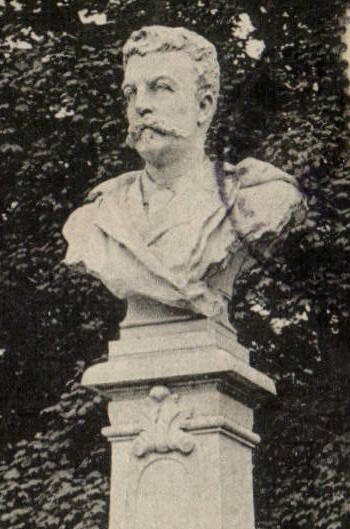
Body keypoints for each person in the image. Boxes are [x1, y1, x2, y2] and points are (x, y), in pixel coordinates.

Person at [62, 25, 307, 318]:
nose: (140, 106)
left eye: (161, 88)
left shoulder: (259, 199)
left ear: (203, 106)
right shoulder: (94, 219)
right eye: (131, 92)